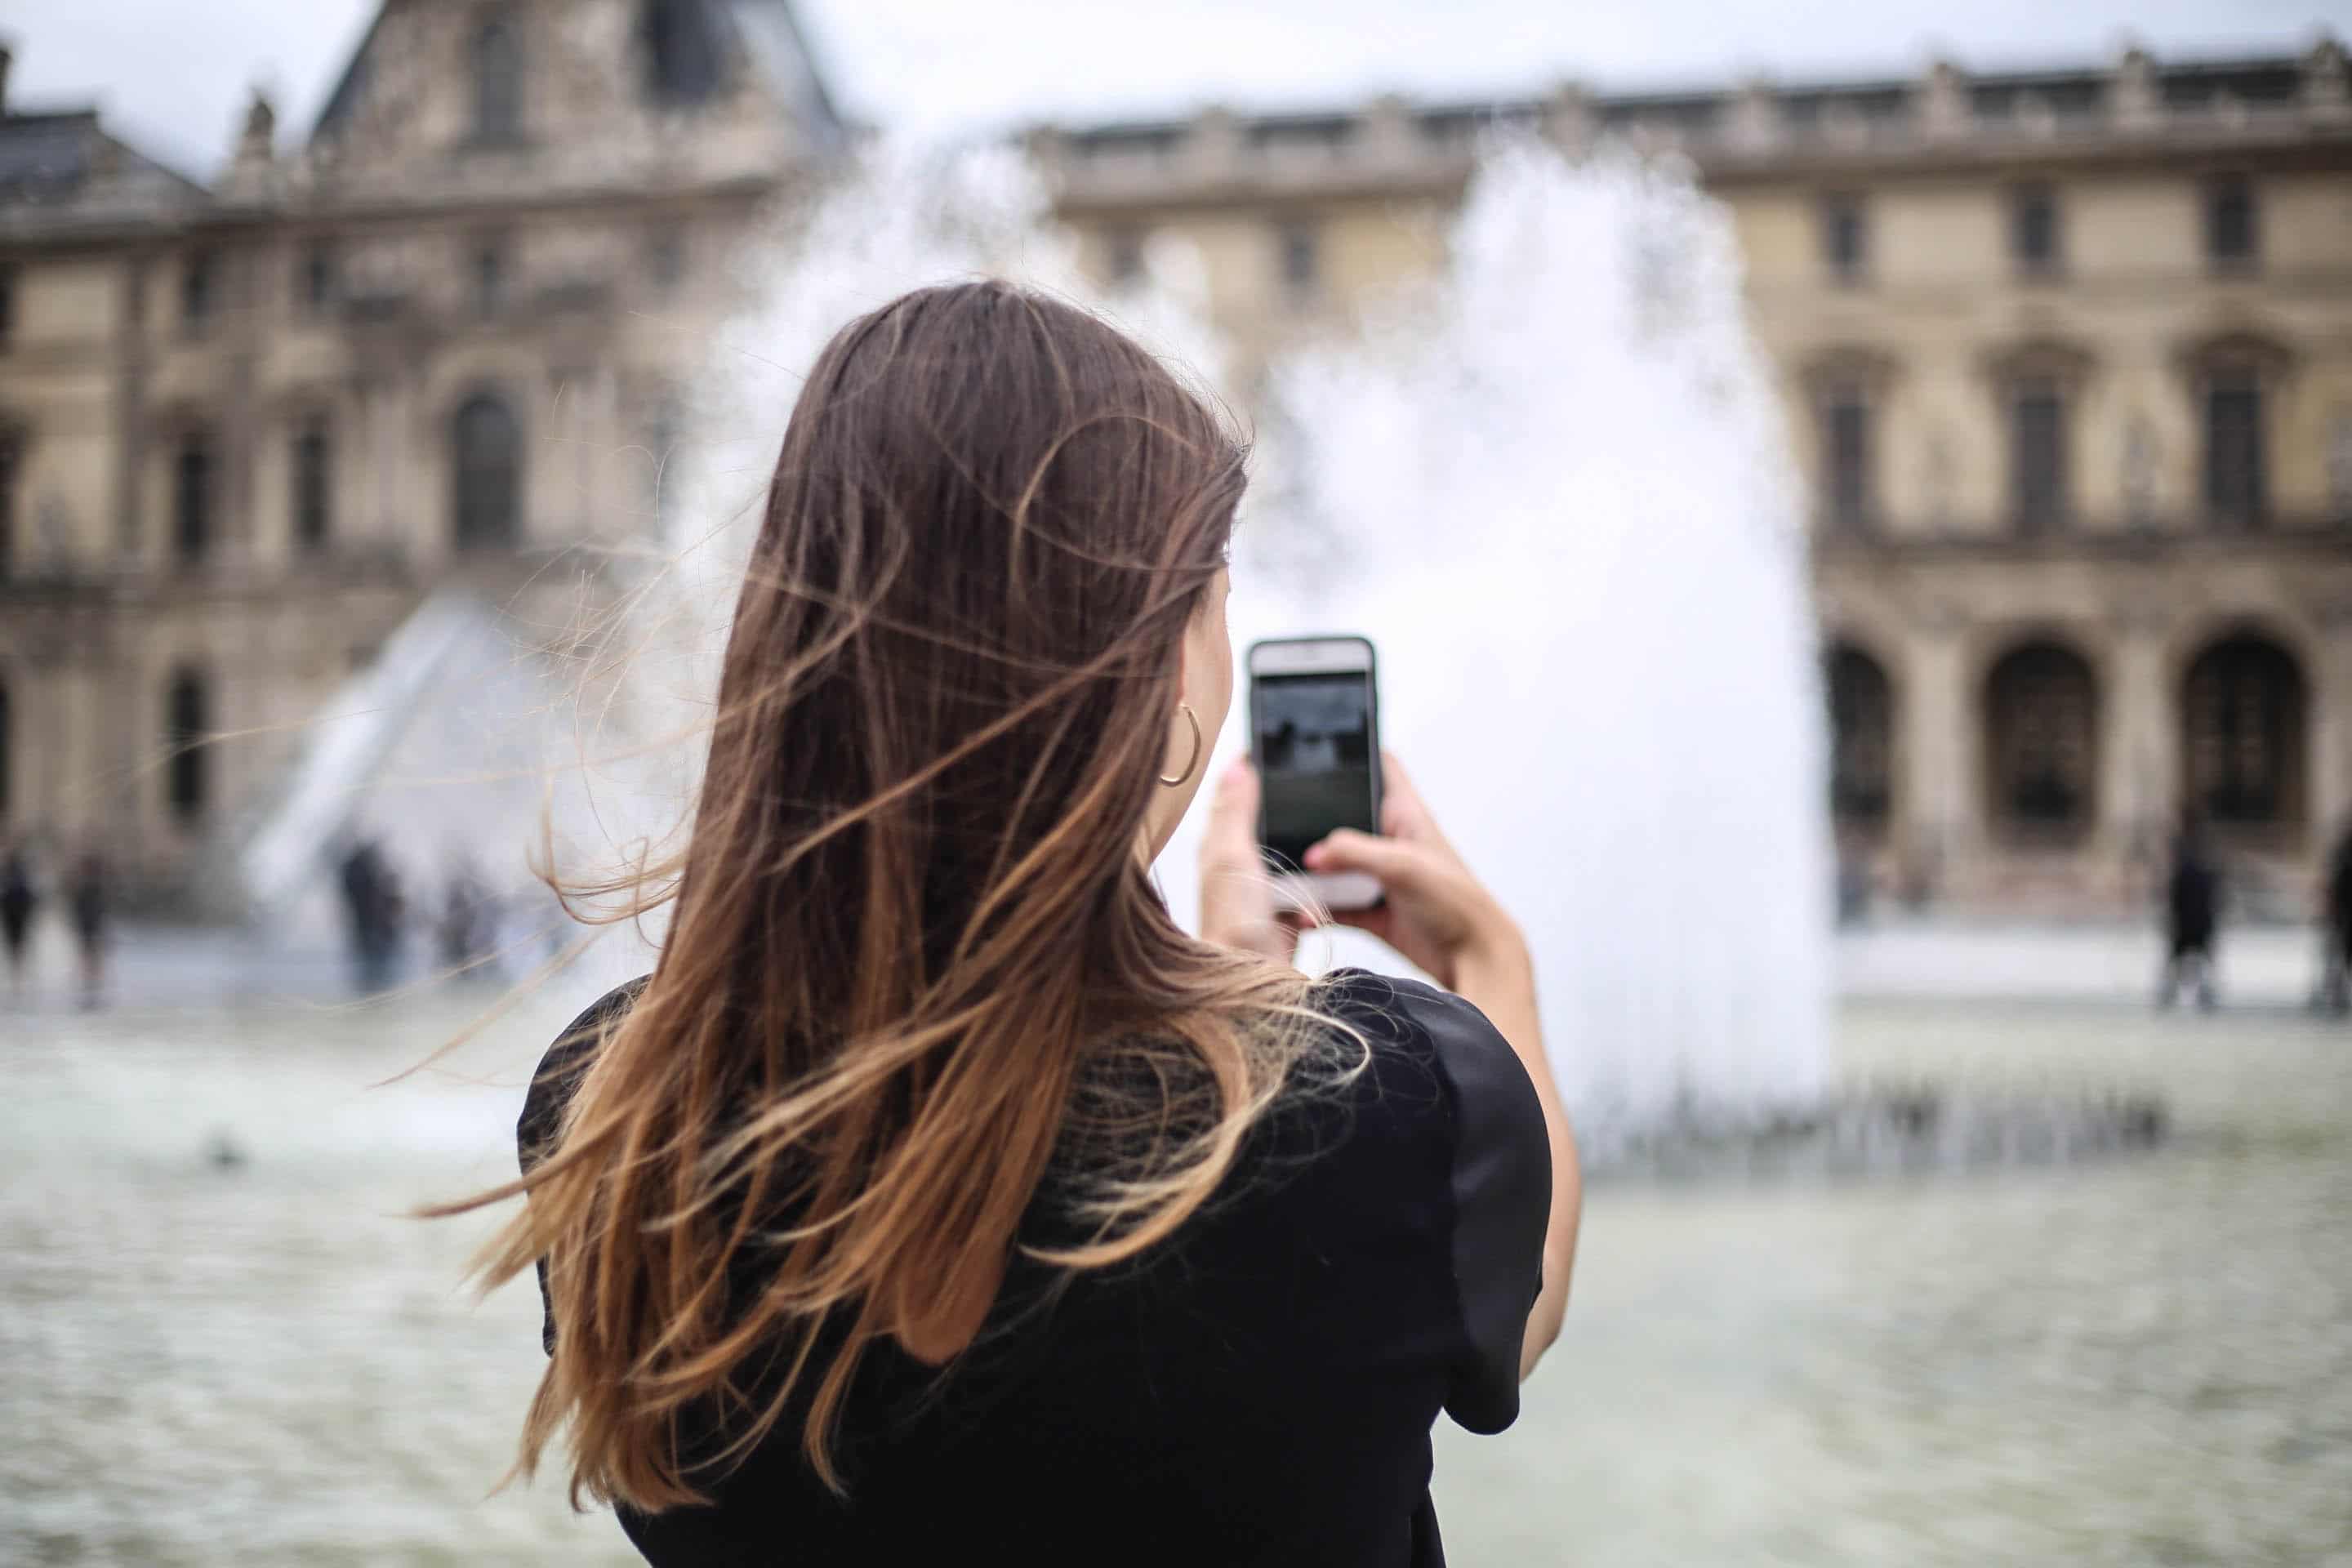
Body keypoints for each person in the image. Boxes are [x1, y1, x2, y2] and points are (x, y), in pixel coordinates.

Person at [437, 283, 1580, 1567]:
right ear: (1147, 660)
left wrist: (1236, 991)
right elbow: (1509, 1307)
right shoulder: (1385, 1097)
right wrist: (1493, 974)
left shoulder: (617, 1112)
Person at [2160, 815, 2221, 1011]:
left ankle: (2175, 993)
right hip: (2197, 923)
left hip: (2188, 924)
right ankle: (2201, 993)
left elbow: (2174, 899)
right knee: (2197, 960)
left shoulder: (2187, 870)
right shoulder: (2206, 869)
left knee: (2183, 960)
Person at [67, 849, 108, 1010]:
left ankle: (91, 982)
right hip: (89, 924)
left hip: (90, 924)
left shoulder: (89, 886)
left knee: (91, 954)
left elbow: (96, 907)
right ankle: (90, 982)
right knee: (90, 954)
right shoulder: (90, 886)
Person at [2322, 826, 2352, 1016]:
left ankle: (2336, 993)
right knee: (2339, 958)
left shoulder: (2343, 863)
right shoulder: (2344, 864)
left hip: (2343, 919)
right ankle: (2336, 994)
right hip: (2344, 919)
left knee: (2339, 958)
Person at [2, 843, 37, 997]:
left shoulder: (11, 878)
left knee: (15, 947)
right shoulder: (17, 877)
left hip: (15, 917)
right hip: (16, 917)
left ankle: (17, 976)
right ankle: (18, 977)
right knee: (17, 947)